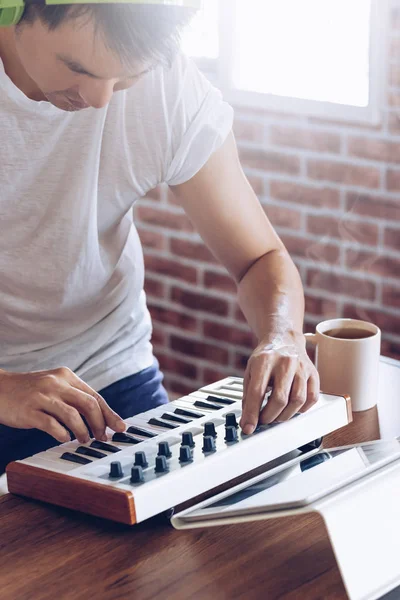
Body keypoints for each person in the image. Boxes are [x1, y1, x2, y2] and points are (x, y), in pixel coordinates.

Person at [0, 0, 319, 474]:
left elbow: (260, 258)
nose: (101, 99)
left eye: (124, 77)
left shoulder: (168, 87)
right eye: (78, 68)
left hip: (108, 373)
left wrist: (282, 334)